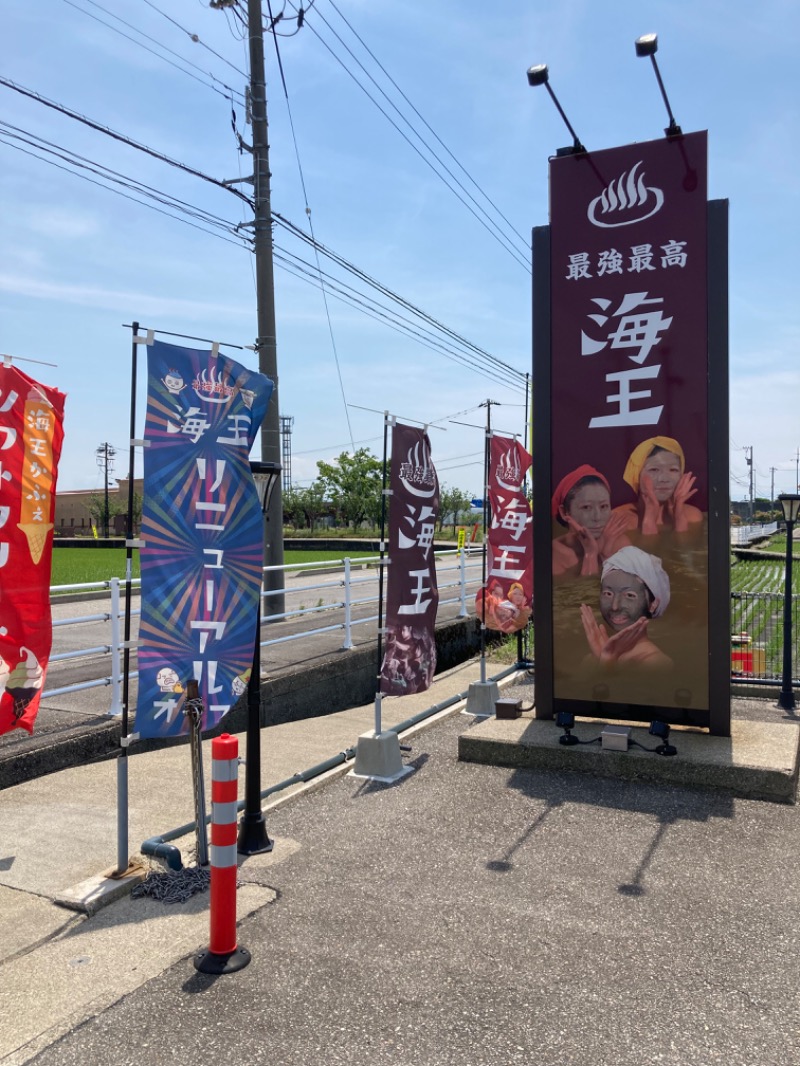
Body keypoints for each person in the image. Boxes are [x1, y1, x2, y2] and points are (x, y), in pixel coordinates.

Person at [580, 546, 672, 668]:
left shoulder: (658, 663)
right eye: (608, 593)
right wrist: (603, 659)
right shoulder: (595, 657)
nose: (614, 606)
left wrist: (607, 665)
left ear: (653, 604)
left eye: (629, 595)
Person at [552, 465, 630, 577]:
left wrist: (606, 555)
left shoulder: (618, 543)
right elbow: (584, 594)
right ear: (564, 512)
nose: (597, 517)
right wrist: (590, 554)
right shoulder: (554, 554)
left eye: (603, 506)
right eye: (586, 507)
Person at [614, 437, 702, 535]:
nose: (664, 479)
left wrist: (679, 515)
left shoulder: (692, 516)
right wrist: (649, 519)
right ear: (636, 475)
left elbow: (686, 549)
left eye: (673, 470)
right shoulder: (618, 521)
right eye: (654, 470)